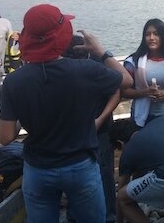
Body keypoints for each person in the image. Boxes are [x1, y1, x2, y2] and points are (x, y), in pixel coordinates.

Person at [0, 4, 133, 223]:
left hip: (38, 169)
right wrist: (101, 51)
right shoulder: (85, 71)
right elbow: (126, 80)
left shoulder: (13, 82)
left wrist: (24, 115)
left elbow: (5, 138)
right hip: (80, 166)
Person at [63, 35, 121, 223]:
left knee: (104, 175)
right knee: (76, 177)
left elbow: (118, 88)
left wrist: (101, 118)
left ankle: (109, 216)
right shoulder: (64, 69)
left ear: (87, 52)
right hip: (74, 133)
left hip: (100, 131)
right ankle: (76, 216)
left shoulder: (98, 65)